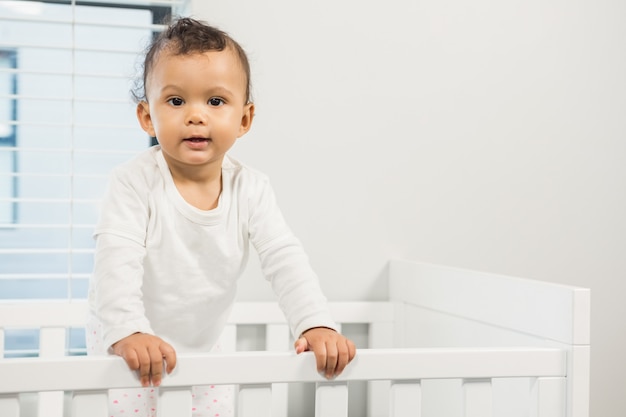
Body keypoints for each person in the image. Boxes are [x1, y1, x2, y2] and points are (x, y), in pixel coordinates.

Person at [86, 16, 356, 417]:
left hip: (203, 343)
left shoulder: (252, 189)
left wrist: (314, 323)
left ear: (244, 119)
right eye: (176, 101)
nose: (196, 115)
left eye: (215, 101)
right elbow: (116, 259)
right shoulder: (133, 183)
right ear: (147, 116)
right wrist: (128, 330)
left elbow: (285, 259)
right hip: (126, 340)